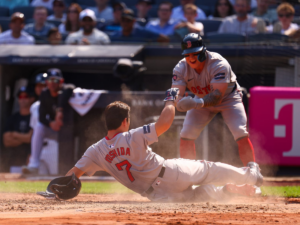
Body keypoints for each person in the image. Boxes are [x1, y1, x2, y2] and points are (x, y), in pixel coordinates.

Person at [63, 98, 263, 203]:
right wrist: (170, 100)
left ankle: (226, 191)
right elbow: (165, 122)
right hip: (171, 173)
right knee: (208, 169)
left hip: (157, 195)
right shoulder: (132, 135)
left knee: (196, 197)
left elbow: (71, 177)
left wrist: (56, 191)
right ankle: (250, 175)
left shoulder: (94, 151)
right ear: (125, 121)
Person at [170, 33, 257, 169]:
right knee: (186, 134)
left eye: (195, 53)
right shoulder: (180, 68)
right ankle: (186, 176)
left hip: (228, 98)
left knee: (240, 132)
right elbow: (175, 92)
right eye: (187, 55)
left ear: (204, 51)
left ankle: (253, 174)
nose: (191, 58)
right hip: (200, 98)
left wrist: (194, 103)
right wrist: (176, 101)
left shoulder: (218, 63)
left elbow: (217, 96)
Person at [22, 68, 75, 175]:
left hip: (68, 131)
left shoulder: (66, 90)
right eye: (50, 80)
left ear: (61, 81)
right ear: (46, 82)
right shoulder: (45, 94)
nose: (52, 83)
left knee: (60, 170)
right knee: (39, 127)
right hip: (54, 130)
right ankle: (33, 165)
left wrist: (59, 110)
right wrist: (51, 123)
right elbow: (42, 117)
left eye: (56, 80)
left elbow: (69, 88)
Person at [3, 86, 35, 173]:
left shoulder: (34, 117)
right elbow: (6, 141)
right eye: (21, 97)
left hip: (30, 163)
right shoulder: (13, 118)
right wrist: (25, 137)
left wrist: (14, 135)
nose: (23, 99)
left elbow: (31, 139)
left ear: (31, 99)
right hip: (14, 162)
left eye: (26, 97)